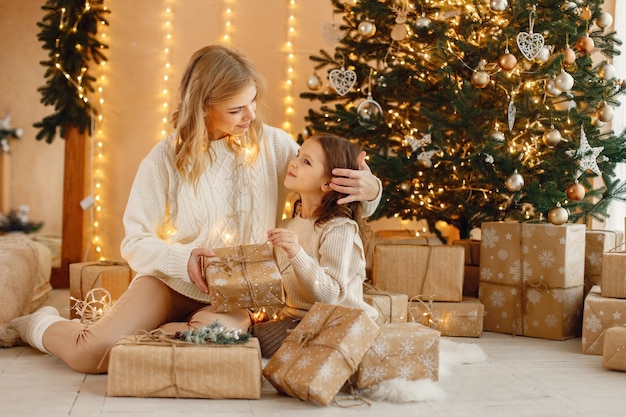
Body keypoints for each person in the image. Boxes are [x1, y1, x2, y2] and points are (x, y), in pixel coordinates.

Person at [9, 44, 381, 374]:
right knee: (90, 355)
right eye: (236, 108)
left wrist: (371, 188)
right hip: (167, 284)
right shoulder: (165, 158)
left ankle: (157, 334)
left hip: (236, 295)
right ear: (203, 106)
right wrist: (182, 260)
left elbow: (324, 177)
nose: (250, 115)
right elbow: (135, 241)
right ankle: (37, 323)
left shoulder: (273, 146)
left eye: (253, 101)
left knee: (205, 351)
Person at [252, 133, 379, 357]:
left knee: (250, 342)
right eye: (298, 155)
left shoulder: (338, 229)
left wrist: (296, 252)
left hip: (338, 322)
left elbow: (330, 295)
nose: (294, 162)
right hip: (299, 318)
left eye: (306, 162)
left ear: (328, 183)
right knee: (245, 333)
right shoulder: (288, 224)